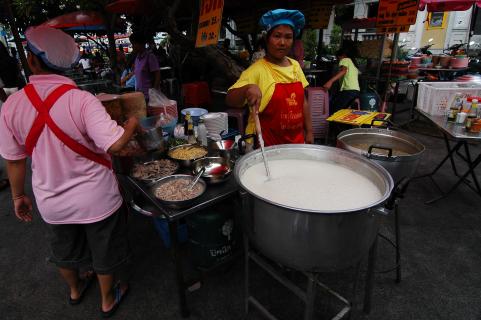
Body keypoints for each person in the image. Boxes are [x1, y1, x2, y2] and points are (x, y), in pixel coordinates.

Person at [0, 26, 138, 318]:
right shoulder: (81, 100)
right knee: (104, 248)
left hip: (52, 200)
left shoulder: (11, 105)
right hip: (96, 199)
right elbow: (115, 144)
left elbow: (14, 161)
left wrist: (18, 196)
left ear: (33, 60)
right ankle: (106, 300)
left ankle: (75, 291)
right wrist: (133, 124)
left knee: (63, 249)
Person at [226, 9, 313, 146]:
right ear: (267, 39)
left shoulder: (295, 66)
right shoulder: (257, 70)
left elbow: (303, 102)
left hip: (296, 142)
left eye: (288, 37)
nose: (282, 42)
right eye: (277, 36)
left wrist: (309, 132)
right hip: (266, 146)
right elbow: (230, 98)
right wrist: (247, 88)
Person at [323, 48, 360, 114]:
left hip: (348, 90)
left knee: (334, 111)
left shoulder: (345, 59)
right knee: (344, 112)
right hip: (355, 91)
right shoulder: (353, 65)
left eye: (338, 58)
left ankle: (333, 124)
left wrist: (330, 81)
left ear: (343, 55)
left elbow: (343, 71)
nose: (338, 60)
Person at [129, 33, 161, 101]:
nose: (132, 46)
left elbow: (157, 75)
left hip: (149, 96)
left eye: (134, 43)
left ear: (141, 44)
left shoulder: (150, 56)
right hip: (140, 95)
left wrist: (153, 93)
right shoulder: (137, 58)